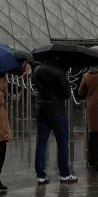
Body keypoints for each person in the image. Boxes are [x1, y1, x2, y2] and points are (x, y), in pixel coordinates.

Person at [32, 56, 76, 184]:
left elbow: (36, 86)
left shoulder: (37, 69)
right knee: (62, 143)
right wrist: (66, 80)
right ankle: (64, 174)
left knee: (41, 143)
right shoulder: (58, 72)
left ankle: (41, 175)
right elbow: (66, 94)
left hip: (41, 110)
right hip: (57, 111)